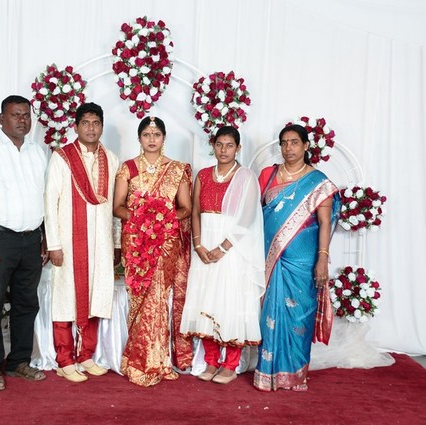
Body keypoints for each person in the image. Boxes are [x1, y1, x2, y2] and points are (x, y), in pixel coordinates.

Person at [0, 95, 48, 391]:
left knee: (27, 303)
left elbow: (44, 198)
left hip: (32, 239)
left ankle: (18, 362)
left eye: (26, 115)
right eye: (16, 115)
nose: (22, 120)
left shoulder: (37, 152)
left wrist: (45, 237)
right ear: (2, 119)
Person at [253, 124, 340, 392]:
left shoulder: (318, 182)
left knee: (299, 316)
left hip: (302, 260)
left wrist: (322, 259)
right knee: (269, 313)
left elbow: (324, 223)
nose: (288, 148)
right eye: (284, 143)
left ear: (305, 146)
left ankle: (294, 373)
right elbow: (254, 215)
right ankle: (267, 372)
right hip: (269, 257)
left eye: (294, 142)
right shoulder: (268, 175)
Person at [180, 126, 265, 385]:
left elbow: (247, 217)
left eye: (229, 145)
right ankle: (211, 361)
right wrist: (198, 245)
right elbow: (195, 211)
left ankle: (230, 365)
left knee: (231, 301)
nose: (224, 150)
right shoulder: (203, 175)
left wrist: (223, 248)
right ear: (213, 146)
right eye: (219, 144)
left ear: (238, 148)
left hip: (233, 249)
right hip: (204, 246)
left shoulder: (246, 177)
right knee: (206, 300)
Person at [113, 116, 193, 387]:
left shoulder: (177, 169)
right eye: (146, 134)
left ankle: (156, 360)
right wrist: (142, 220)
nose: (151, 139)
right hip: (136, 243)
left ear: (163, 138)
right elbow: (117, 207)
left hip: (166, 243)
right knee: (139, 297)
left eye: (156, 134)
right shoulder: (127, 168)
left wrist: (163, 219)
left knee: (158, 298)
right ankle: (136, 358)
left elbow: (185, 208)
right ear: (139, 138)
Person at [44, 102, 120, 383]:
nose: (91, 128)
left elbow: (115, 206)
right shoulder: (62, 158)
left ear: (102, 127)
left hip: (101, 244)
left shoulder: (111, 159)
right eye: (85, 123)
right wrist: (53, 244)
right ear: (75, 126)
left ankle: (86, 355)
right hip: (68, 242)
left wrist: (116, 243)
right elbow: (50, 202)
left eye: (96, 123)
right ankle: (64, 359)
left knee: (96, 296)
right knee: (65, 299)